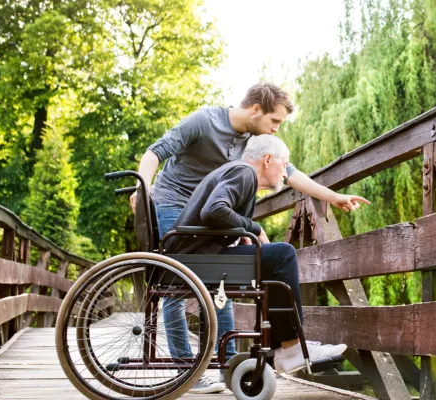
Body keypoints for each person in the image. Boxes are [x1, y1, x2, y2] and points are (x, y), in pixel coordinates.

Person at [136, 83, 366, 394]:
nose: (276, 128)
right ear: (256, 110)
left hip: (213, 211)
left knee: (220, 286)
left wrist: (333, 196)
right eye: (275, 122)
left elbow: (288, 172)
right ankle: (185, 370)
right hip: (174, 204)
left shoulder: (255, 144)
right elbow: (156, 151)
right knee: (177, 287)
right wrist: (142, 190)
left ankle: (228, 364)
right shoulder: (205, 122)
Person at [164, 135, 348, 394]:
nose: (285, 173)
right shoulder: (244, 173)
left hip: (196, 256)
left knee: (272, 259)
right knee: (282, 254)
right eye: (284, 165)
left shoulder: (239, 174)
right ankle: (289, 346)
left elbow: (217, 216)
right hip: (196, 261)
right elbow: (214, 210)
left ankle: (280, 347)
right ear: (268, 159)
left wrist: (243, 236)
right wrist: (254, 227)